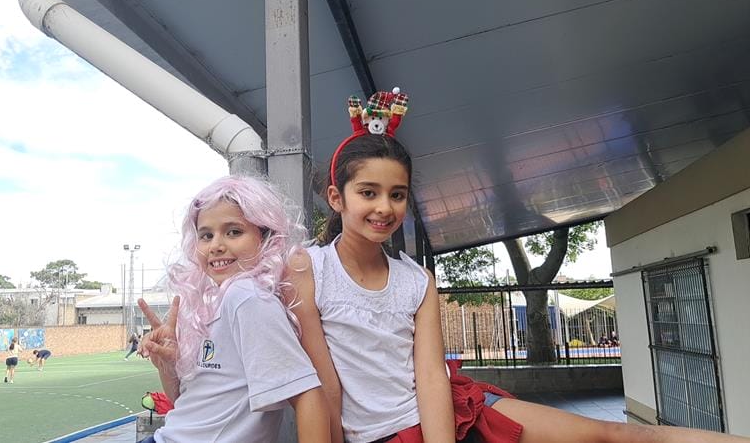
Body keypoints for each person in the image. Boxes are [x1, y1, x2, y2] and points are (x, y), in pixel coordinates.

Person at [289, 88, 750, 443]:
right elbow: (323, 384)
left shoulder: (417, 280)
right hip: (376, 435)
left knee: (612, 433)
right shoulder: (309, 269)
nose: (384, 207)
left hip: (445, 416)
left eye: (397, 194)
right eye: (367, 192)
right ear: (336, 198)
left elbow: (430, 376)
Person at [136, 175, 329, 443]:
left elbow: (308, 395)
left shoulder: (246, 297)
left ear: (265, 237)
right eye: (206, 235)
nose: (216, 246)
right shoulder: (220, 301)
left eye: (233, 232)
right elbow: (188, 405)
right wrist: (167, 365)